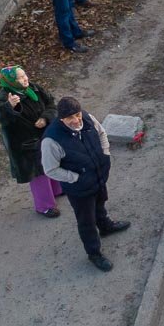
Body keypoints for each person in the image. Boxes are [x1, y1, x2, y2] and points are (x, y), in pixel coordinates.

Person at [41, 97, 130, 272]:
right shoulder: (51, 140)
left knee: (100, 204)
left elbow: (102, 133)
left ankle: (105, 226)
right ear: (61, 119)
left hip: (97, 177)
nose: (76, 120)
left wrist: (105, 154)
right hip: (79, 188)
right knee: (86, 221)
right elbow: (50, 170)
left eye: (77, 115)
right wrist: (74, 178)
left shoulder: (88, 118)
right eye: (69, 118)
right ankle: (94, 253)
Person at [0, 65, 62, 218]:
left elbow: (51, 103)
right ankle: (45, 206)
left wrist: (45, 118)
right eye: (20, 78)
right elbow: (1, 117)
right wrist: (10, 106)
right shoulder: (4, 97)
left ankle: (56, 190)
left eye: (24, 75)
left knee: (50, 163)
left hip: (45, 135)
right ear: (10, 81)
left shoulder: (34, 88)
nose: (25, 79)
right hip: (26, 143)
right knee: (38, 173)